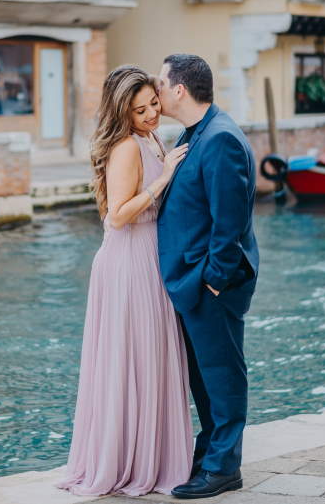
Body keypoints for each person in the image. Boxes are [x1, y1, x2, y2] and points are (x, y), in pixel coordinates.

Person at [55, 65, 193, 497]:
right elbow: (117, 214)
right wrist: (165, 179)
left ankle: (151, 454)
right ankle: (126, 461)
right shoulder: (125, 148)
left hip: (149, 258)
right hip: (128, 262)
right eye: (141, 110)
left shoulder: (151, 137)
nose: (152, 114)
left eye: (154, 103)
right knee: (130, 361)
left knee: (149, 359)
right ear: (123, 113)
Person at [156, 54, 259, 499]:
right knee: (203, 378)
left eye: (161, 81)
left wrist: (213, 279)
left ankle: (223, 469)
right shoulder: (195, 133)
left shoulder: (220, 139)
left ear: (180, 89)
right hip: (192, 283)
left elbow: (228, 223)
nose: (155, 89)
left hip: (211, 285)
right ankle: (209, 456)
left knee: (222, 376)